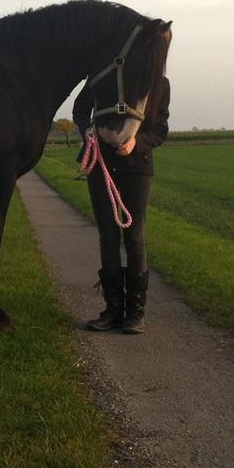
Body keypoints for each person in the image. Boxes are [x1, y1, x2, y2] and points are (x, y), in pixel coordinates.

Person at [72, 76, 170, 334]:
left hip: (137, 167)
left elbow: (160, 130)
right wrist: (86, 130)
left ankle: (135, 313)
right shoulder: (101, 75)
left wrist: (137, 143)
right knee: (107, 235)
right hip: (100, 163)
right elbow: (80, 109)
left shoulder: (158, 84)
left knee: (134, 237)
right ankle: (113, 310)